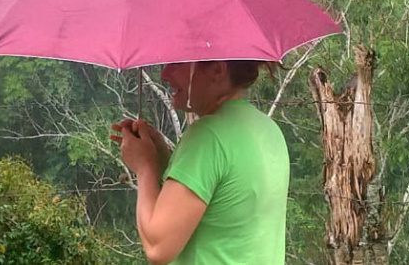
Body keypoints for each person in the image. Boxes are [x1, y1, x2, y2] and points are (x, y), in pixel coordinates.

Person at [109, 60, 289, 265]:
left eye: (177, 63)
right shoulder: (268, 128)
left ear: (217, 70)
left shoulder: (207, 137)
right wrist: (160, 161)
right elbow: (218, 210)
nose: (165, 74)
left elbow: (157, 247)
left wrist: (144, 168)